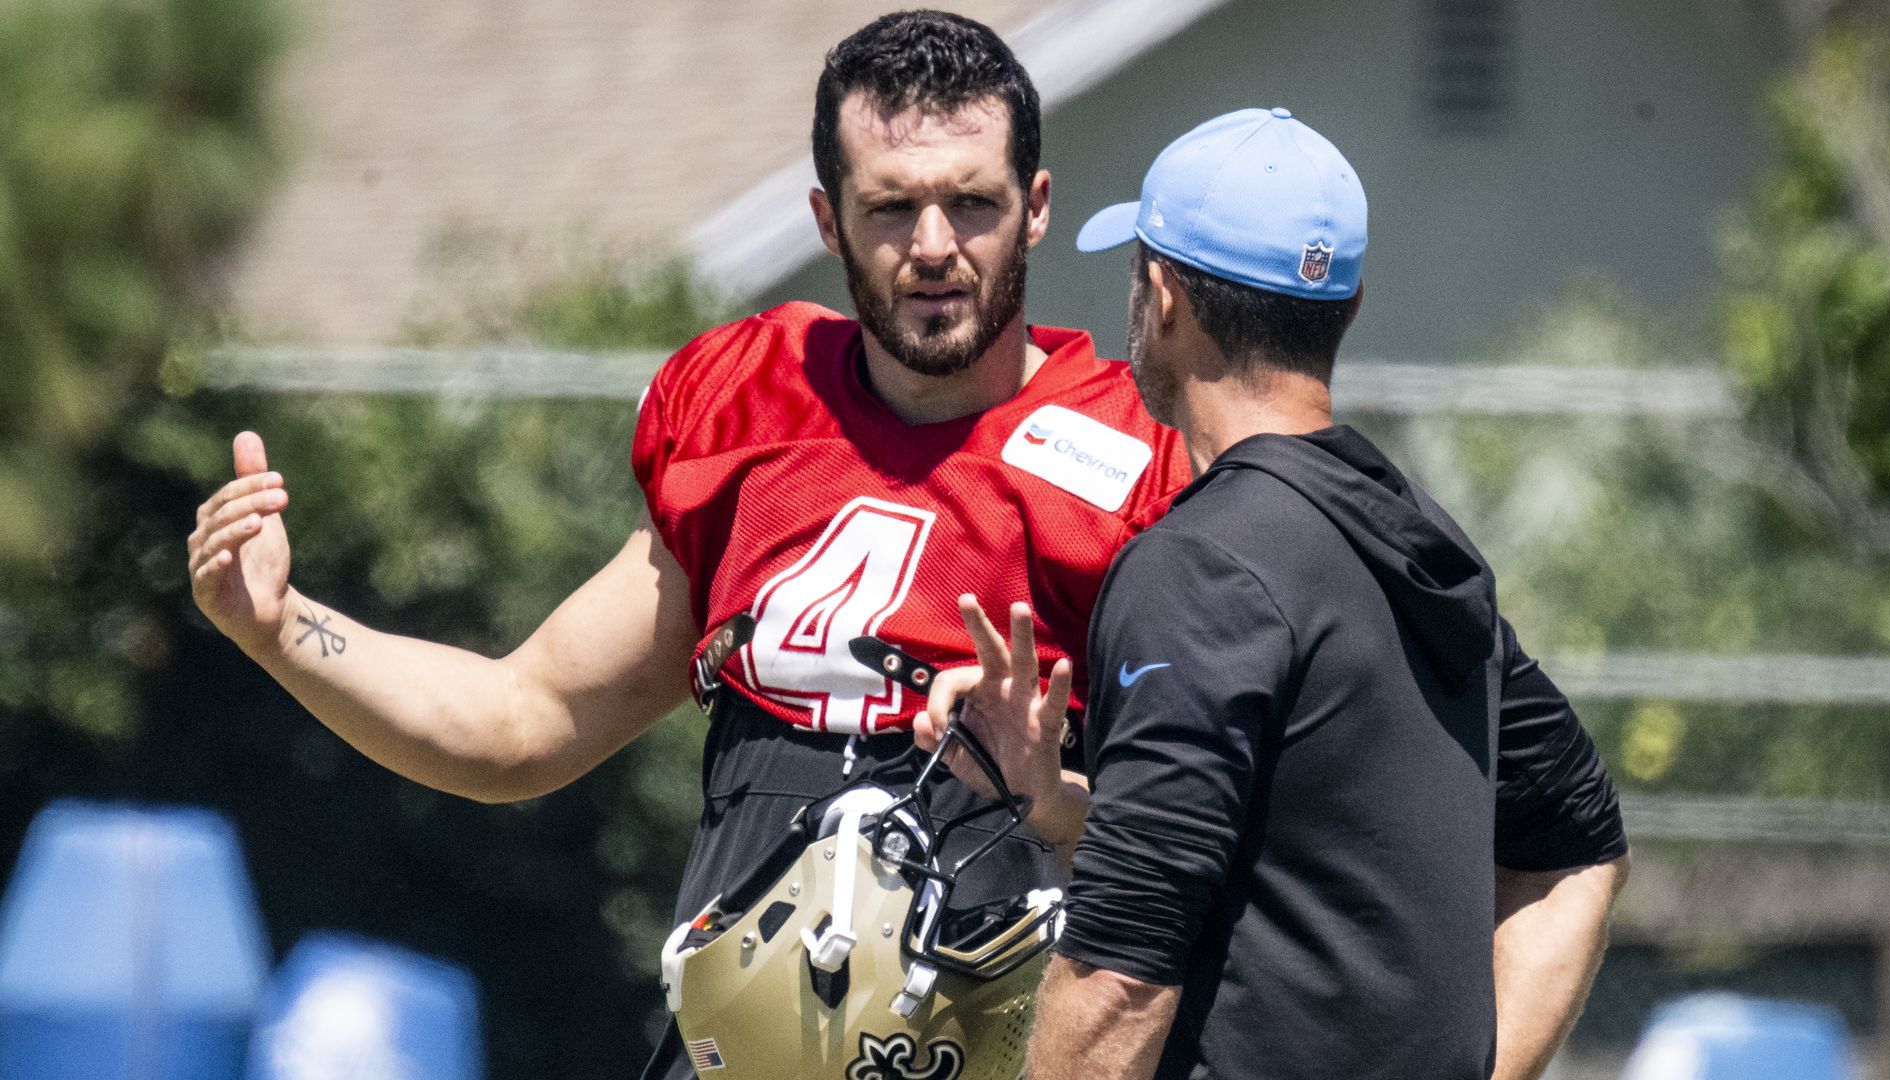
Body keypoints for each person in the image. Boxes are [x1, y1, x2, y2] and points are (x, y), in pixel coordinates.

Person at [183, 11, 1187, 1079]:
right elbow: (527, 717)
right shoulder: (749, 401)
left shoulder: (1140, 463)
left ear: (1033, 209)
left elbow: (1197, 850)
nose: (934, 246)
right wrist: (284, 629)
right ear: (829, 220)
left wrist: (1056, 798)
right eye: (892, 207)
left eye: (970, 202)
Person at [920, 108, 1630, 1080]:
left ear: (1162, 294)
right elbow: (1578, 852)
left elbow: (1121, 971)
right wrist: (1053, 796)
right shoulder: (1417, 543)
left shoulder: (1199, 568)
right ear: (1348, 303)